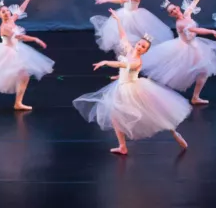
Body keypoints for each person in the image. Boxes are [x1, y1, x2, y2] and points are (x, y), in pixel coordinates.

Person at [73, 9, 191, 156]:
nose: (139, 47)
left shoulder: (136, 61)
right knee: (115, 117)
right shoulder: (129, 50)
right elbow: (123, 36)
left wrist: (105, 62)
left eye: (143, 47)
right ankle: (122, 146)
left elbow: (121, 65)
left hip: (133, 89)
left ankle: (174, 132)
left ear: (145, 51)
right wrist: (117, 20)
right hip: (121, 87)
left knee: (155, 114)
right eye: (140, 44)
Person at [141, 0, 216, 104]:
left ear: (178, 7)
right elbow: (196, 31)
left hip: (194, 45)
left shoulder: (187, 13)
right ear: (170, 15)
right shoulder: (180, 24)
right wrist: (212, 31)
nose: (174, 11)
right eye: (171, 11)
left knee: (203, 71)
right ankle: (153, 89)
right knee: (172, 71)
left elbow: (196, 0)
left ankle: (195, 97)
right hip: (185, 47)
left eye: (174, 8)